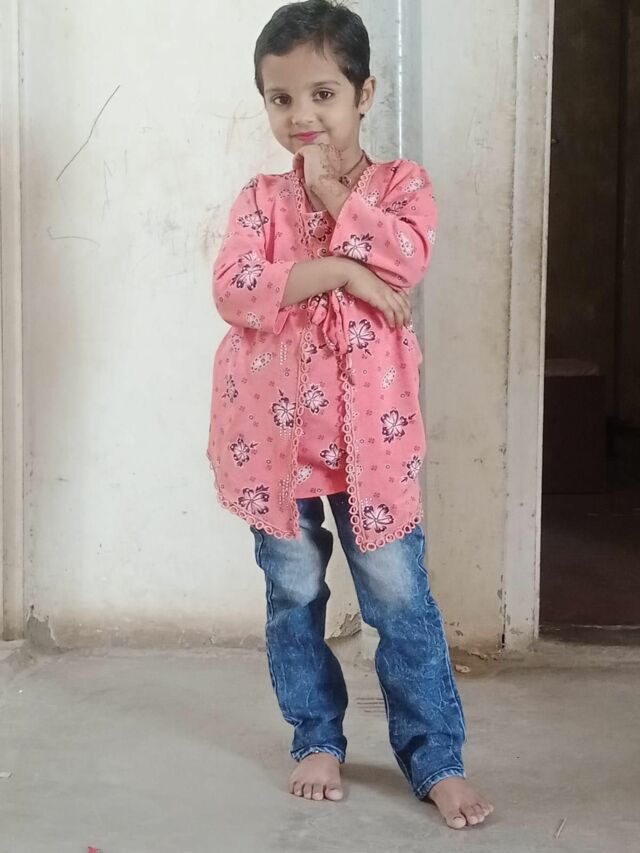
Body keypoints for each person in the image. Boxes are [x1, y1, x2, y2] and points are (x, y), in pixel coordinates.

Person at [206, 0, 493, 830]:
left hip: (374, 447)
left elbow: (405, 258)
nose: (302, 115)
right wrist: (338, 271)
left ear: (365, 94)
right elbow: (235, 289)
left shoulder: (402, 188)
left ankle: (435, 756)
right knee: (293, 595)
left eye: (323, 94)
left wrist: (336, 195)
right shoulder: (260, 202)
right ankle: (316, 737)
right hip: (276, 448)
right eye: (281, 98)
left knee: (401, 602)